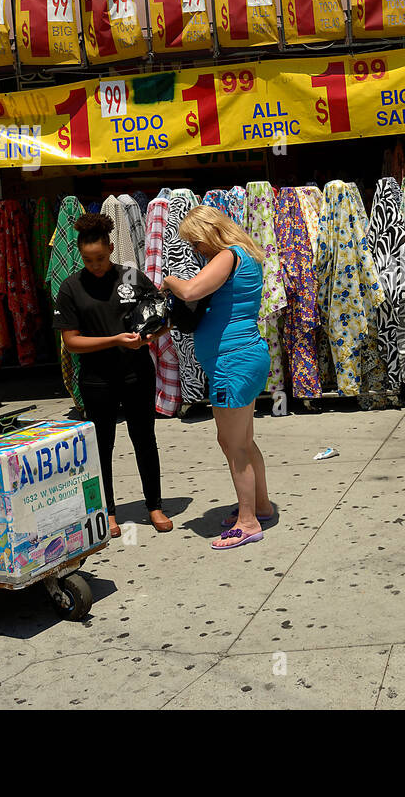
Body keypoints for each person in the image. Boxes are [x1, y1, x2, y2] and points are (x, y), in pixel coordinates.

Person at [54, 213, 171, 537]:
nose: (96, 265)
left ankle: (154, 505)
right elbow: (71, 341)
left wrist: (149, 337)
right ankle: (109, 510)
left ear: (110, 248)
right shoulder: (71, 287)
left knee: (144, 439)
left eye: (101, 258)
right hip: (97, 380)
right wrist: (115, 339)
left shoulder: (131, 277)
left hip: (137, 374)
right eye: (88, 260)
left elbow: (162, 316)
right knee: (102, 445)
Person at [163, 207, 273, 550]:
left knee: (233, 444)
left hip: (233, 362)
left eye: (196, 242)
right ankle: (261, 505)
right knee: (242, 440)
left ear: (210, 232)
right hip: (241, 358)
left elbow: (191, 291)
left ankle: (248, 521)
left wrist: (168, 280)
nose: (196, 250)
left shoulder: (228, 255)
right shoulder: (245, 254)